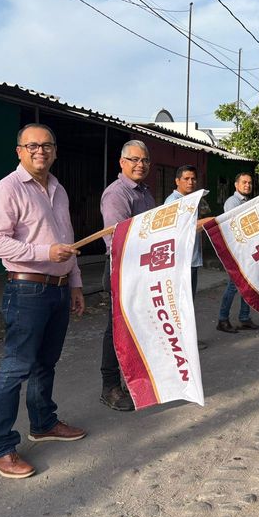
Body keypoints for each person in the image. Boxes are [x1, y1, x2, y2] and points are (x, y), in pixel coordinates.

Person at [0, 123, 86, 479]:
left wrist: (74, 283)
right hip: (26, 290)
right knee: (15, 368)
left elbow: (67, 240)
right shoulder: (6, 190)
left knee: (47, 362)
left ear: (55, 151)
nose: (40, 151)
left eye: (46, 146)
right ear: (19, 151)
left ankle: (43, 423)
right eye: (32, 146)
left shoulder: (57, 189)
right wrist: (44, 251)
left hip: (57, 288)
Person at [99, 140, 155, 411]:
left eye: (144, 160)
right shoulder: (117, 194)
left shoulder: (146, 194)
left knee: (138, 328)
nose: (140, 165)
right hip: (121, 270)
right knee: (116, 330)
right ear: (121, 162)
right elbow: (116, 241)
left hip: (143, 270)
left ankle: (134, 381)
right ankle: (110, 387)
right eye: (134, 160)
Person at [216, 172, 259, 333]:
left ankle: (244, 318)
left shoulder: (248, 202)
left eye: (249, 183)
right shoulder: (232, 202)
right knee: (233, 286)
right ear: (236, 185)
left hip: (248, 252)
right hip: (237, 252)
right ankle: (223, 320)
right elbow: (235, 227)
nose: (247, 185)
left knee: (248, 286)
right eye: (244, 182)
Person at [164, 165, 206, 296]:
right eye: (186, 178)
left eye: (193, 179)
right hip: (179, 262)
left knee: (188, 303)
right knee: (180, 304)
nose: (190, 182)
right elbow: (182, 230)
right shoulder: (173, 202)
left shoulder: (191, 200)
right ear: (177, 181)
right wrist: (209, 222)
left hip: (191, 259)